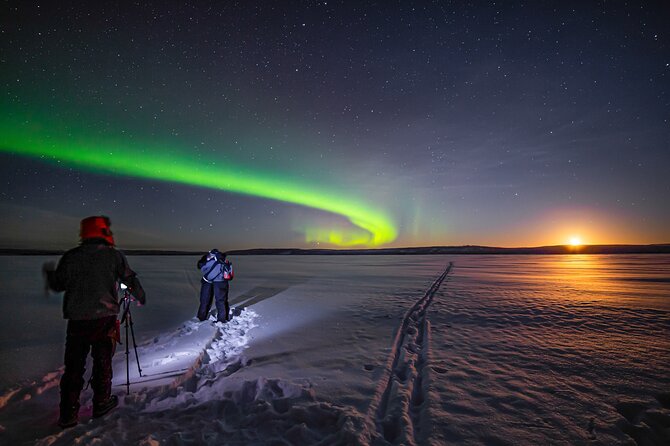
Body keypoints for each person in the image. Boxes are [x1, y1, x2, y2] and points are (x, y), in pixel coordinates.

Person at [43, 216, 146, 428]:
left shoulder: (72, 256)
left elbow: (58, 284)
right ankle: (101, 402)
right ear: (104, 232)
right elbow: (129, 279)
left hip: (77, 320)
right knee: (102, 362)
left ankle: (68, 414)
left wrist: (50, 275)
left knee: (74, 366)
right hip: (104, 318)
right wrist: (140, 296)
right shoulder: (113, 256)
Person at [196, 249, 234, 323]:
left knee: (205, 300)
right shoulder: (224, 261)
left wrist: (206, 261)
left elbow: (202, 268)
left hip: (209, 281)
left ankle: (201, 317)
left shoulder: (210, 261)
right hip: (222, 282)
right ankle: (223, 319)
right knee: (221, 300)